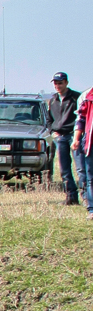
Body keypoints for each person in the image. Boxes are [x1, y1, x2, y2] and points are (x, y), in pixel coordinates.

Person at [46, 72, 83, 206]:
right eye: (55, 83)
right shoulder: (53, 100)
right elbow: (49, 120)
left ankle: (86, 197)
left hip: (74, 136)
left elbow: (82, 117)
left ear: (66, 83)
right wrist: (52, 132)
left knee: (80, 168)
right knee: (64, 169)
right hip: (60, 137)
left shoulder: (76, 98)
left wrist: (79, 134)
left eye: (60, 83)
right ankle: (71, 197)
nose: (57, 86)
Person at [73, 88, 93, 220]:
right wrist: (76, 139)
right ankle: (92, 209)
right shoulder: (88, 96)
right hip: (91, 142)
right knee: (91, 177)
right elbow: (80, 119)